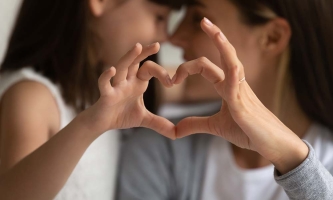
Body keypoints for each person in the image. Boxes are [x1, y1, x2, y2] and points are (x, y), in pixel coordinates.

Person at [117, 0, 333, 199]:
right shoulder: (161, 149)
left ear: (272, 37)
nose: (174, 37)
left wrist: (293, 160)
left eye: (197, 18)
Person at [0, 0, 186, 199]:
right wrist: (90, 125)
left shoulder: (107, 86)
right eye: (159, 17)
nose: (166, 36)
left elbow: (188, 84)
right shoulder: (32, 99)